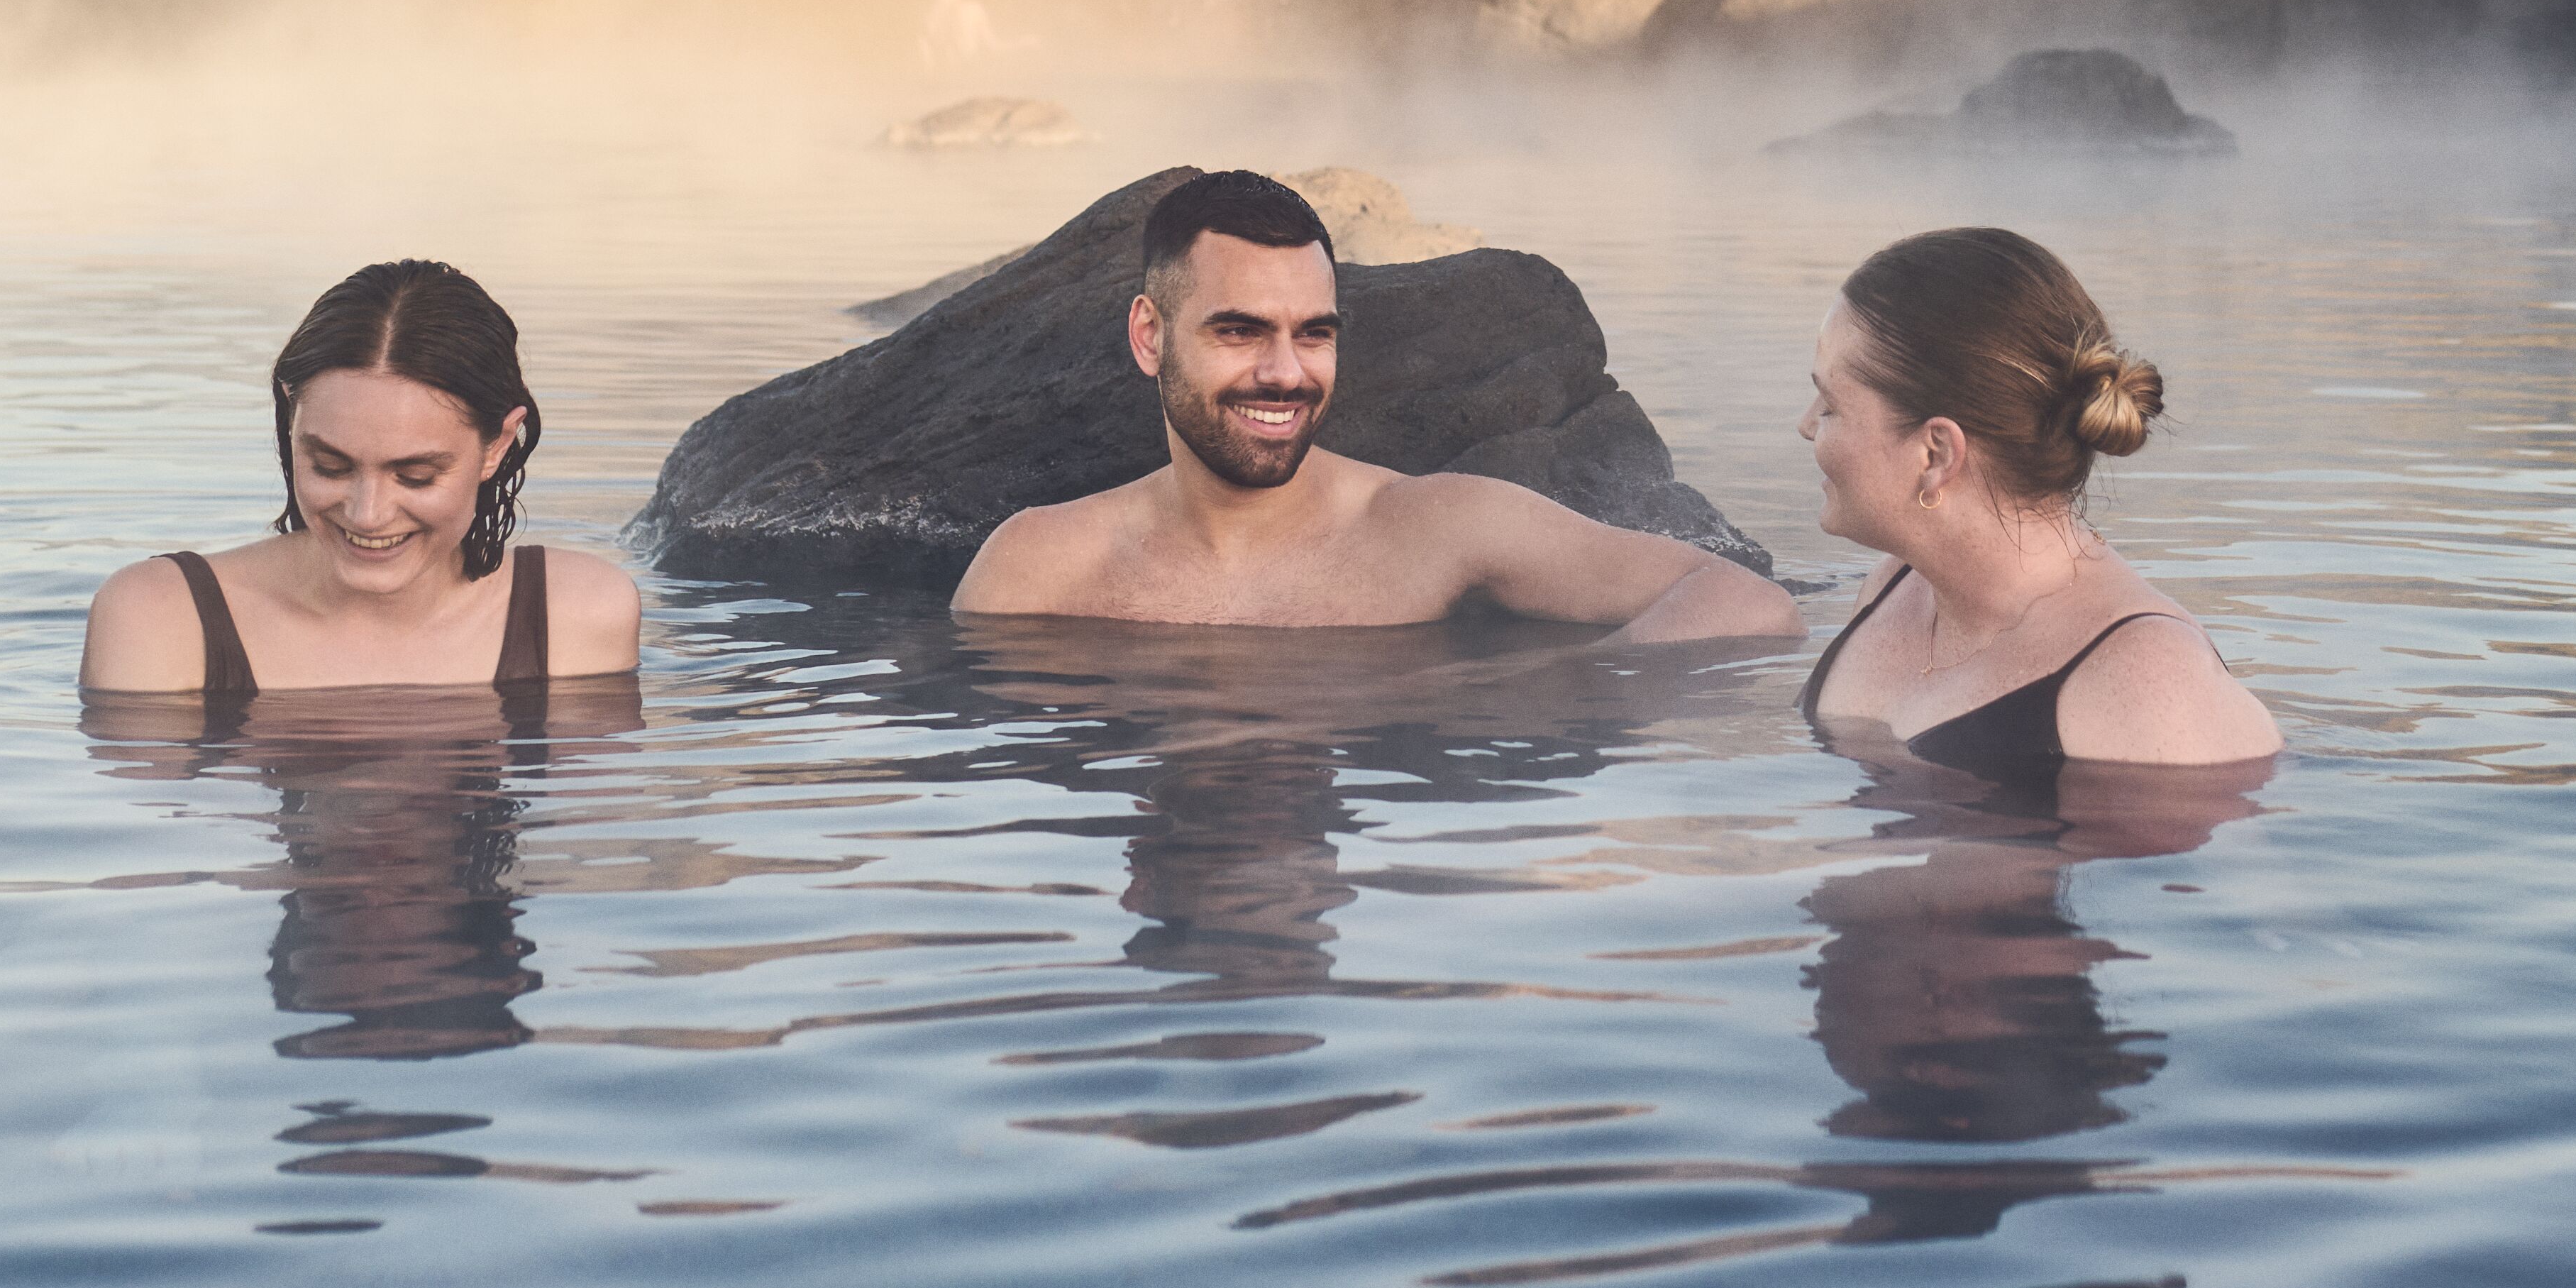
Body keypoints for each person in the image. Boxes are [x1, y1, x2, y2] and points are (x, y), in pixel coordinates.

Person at [951, 169, 1798, 637]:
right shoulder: (1040, 566)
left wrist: (1543, 690)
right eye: (1241, 331)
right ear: (1150, 336)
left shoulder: (1433, 527)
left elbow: (1750, 604)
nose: (1285, 373)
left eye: (1313, 333)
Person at [1796, 225, 2277, 777]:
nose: (1806, 425)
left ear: (1935, 454)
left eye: (1830, 405)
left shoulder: (2146, 681)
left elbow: (2239, 863)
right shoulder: (1896, 585)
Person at [80, 260, 644, 705]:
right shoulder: (161, 617)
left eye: (416, 475)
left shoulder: (576, 614)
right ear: (290, 420)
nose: (368, 513)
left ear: (497, 445)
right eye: (331, 466)